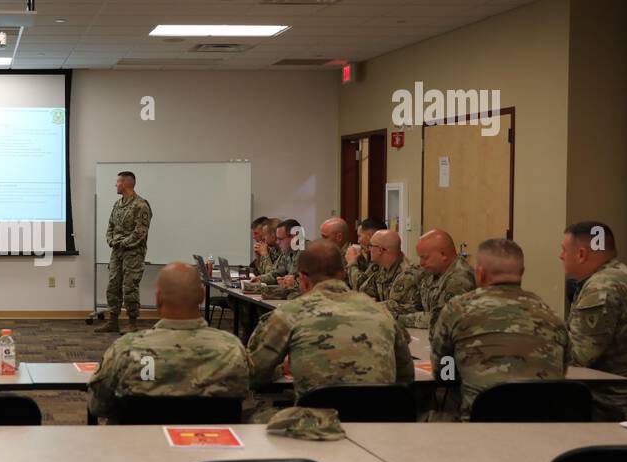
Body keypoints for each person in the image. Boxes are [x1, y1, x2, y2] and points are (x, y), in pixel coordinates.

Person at [247, 241, 414, 400]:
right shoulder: (380, 311)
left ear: (303, 279)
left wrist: (282, 369)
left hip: (317, 424)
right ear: (343, 273)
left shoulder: (289, 314)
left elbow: (255, 374)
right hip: (381, 421)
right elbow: (406, 374)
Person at [89, 263, 250, 422]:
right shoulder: (232, 349)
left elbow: (99, 406)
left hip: (141, 444)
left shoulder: (125, 349)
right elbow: (243, 395)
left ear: (158, 298)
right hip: (213, 445)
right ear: (202, 296)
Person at [432, 239, 568, 420]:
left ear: (479, 273)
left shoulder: (458, 309)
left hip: (478, 422)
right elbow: (563, 366)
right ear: (522, 273)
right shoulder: (550, 314)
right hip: (544, 423)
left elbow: (443, 371)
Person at [561, 220, 627, 421]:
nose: (561, 256)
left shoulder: (602, 288)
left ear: (582, 254)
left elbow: (576, 359)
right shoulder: (622, 275)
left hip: (608, 408)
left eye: (564, 250)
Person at [97, 170, 152, 333]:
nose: (116, 184)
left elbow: (140, 232)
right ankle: (113, 321)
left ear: (126, 184)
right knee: (113, 285)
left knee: (130, 287)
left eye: (118, 182)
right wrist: (111, 240)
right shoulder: (117, 204)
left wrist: (122, 243)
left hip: (133, 253)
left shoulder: (141, 205)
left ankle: (132, 323)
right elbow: (110, 226)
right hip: (117, 252)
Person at [394, 229, 476, 330]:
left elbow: (443, 319)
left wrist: (400, 319)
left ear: (443, 255)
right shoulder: (433, 272)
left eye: (425, 257)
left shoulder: (460, 279)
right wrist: (388, 313)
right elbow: (417, 306)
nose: (421, 263)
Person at [361, 229, 422, 317]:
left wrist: (371, 305)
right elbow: (364, 291)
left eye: (371, 246)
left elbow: (394, 307)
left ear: (380, 250)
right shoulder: (381, 267)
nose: (368, 250)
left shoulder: (408, 273)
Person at [347, 218, 386, 291]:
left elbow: (360, 287)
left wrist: (351, 262)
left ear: (370, 236)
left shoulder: (381, 258)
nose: (358, 241)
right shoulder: (374, 257)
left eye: (359, 236)